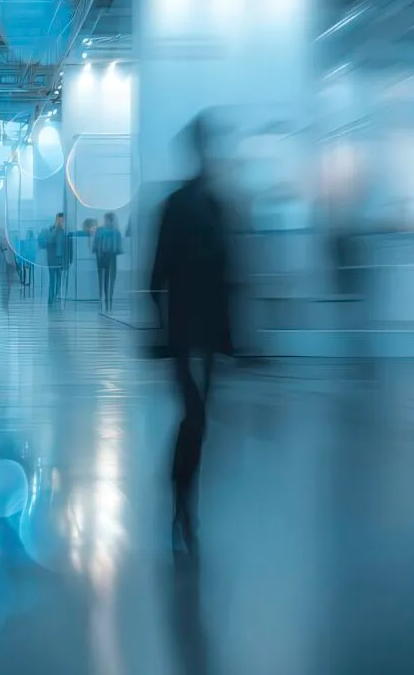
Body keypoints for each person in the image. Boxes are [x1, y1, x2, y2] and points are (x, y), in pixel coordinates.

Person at [150, 112, 233, 557]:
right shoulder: (184, 204)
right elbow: (156, 273)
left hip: (204, 332)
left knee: (198, 421)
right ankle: (181, 500)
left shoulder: (212, 204)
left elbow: (230, 275)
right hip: (186, 330)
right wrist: (163, 335)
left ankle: (184, 498)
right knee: (195, 417)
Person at [93, 212, 122, 313]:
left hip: (111, 259)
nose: (106, 222)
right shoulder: (100, 230)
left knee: (110, 280)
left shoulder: (115, 232)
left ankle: (109, 301)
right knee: (102, 280)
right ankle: (102, 299)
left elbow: (118, 248)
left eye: (108, 220)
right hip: (101, 259)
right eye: (105, 219)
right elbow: (95, 245)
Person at [43, 212, 72, 306]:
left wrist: (68, 260)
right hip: (52, 260)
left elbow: (67, 247)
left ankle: (57, 297)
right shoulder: (51, 229)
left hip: (60, 259)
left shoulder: (64, 231)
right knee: (52, 280)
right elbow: (49, 241)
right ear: (56, 219)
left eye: (62, 219)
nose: (61, 221)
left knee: (59, 279)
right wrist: (56, 227)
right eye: (59, 219)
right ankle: (51, 299)